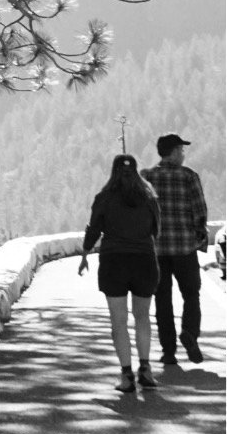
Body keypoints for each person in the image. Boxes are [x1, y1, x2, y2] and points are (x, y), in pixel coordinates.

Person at [79, 154, 161, 394]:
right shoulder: (149, 198)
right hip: (144, 260)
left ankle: (127, 375)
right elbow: (156, 229)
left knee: (119, 321)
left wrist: (85, 254)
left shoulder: (104, 198)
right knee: (142, 317)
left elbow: (94, 229)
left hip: (114, 262)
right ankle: (145, 369)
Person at [141, 134, 210, 366]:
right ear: (172, 151)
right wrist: (199, 238)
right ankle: (189, 333)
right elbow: (200, 212)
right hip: (184, 248)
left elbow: (141, 213)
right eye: (181, 150)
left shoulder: (146, 177)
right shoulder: (189, 176)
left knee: (162, 300)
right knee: (191, 294)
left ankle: (168, 351)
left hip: (156, 251)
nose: (183, 154)